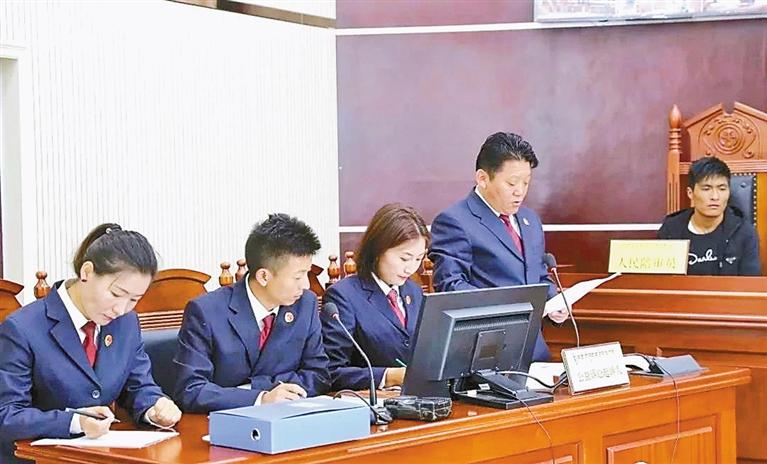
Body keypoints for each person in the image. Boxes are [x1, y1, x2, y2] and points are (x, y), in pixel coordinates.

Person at [0, 224, 182, 464]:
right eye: (116, 294)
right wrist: (76, 422)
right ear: (87, 272)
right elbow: (7, 415)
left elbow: (138, 386)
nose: (121, 309)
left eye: (134, 300)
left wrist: (156, 407)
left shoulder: (126, 323)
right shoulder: (22, 328)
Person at [429, 132, 569, 362]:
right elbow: (451, 287)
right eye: (511, 183)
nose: (520, 191)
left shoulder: (530, 220)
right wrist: (507, 306)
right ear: (483, 178)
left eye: (526, 183)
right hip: (485, 352)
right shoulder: (455, 221)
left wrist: (554, 302)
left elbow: (538, 275)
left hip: (535, 351)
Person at [173, 214, 330, 413]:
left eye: (307, 273)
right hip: (226, 422)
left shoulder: (305, 304)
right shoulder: (206, 311)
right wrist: (260, 398)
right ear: (264, 276)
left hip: (288, 418)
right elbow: (191, 390)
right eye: (298, 277)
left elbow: (319, 374)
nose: (306, 285)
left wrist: (259, 389)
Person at [322, 204, 430, 391]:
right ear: (378, 250)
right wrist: (388, 376)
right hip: (373, 401)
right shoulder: (343, 296)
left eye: (418, 259)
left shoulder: (414, 291)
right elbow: (331, 372)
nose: (411, 268)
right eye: (404, 258)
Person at [658, 156, 761, 276]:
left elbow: (750, 283)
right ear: (690, 193)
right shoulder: (671, 229)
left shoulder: (744, 232)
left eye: (722, 189)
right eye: (706, 189)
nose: (715, 197)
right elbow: (661, 281)